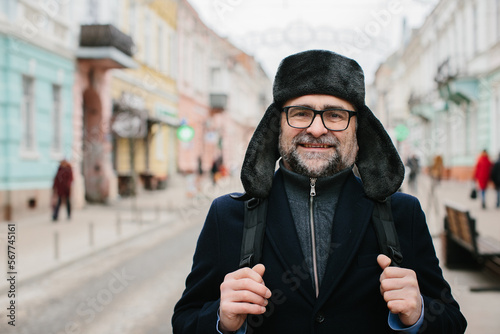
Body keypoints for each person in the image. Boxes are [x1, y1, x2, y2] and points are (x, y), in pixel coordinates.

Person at [172, 50, 466, 333]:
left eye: (335, 115)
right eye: (300, 113)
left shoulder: (402, 213)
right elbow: (185, 321)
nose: (315, 128)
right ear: (278, 125)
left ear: (358, 128)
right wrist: (222, 321)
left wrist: (418, 315)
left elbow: (452, 321)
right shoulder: (227, 216)